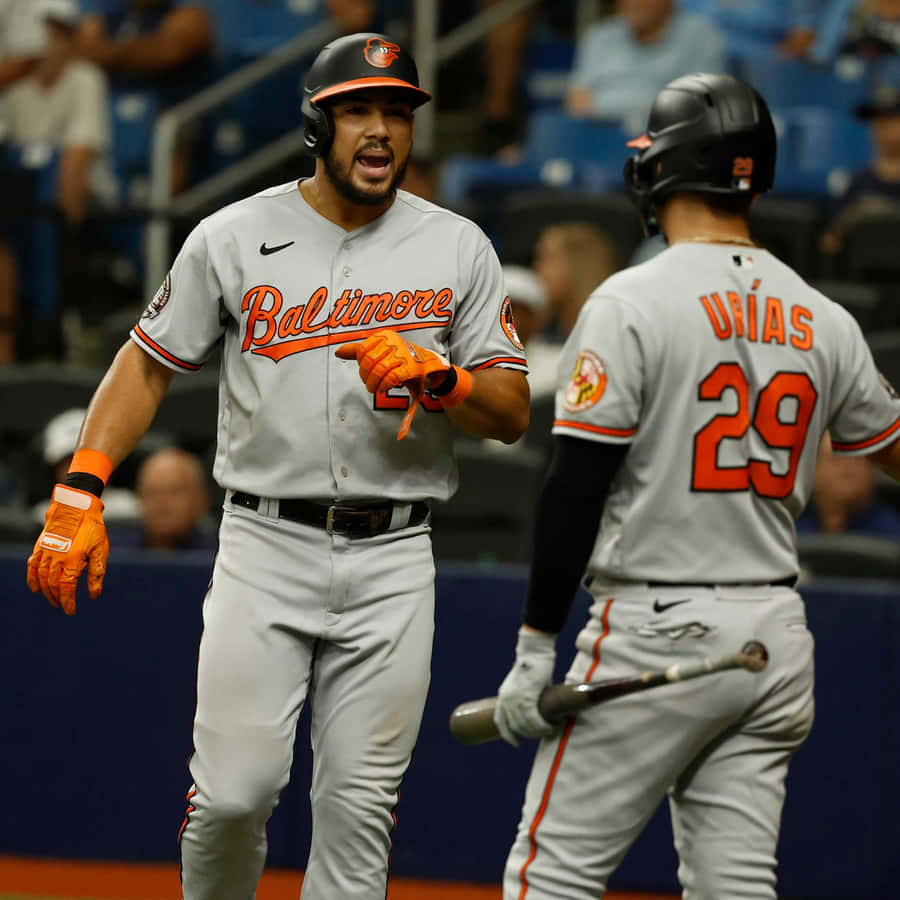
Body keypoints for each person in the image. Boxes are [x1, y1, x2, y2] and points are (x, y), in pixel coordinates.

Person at [26, 31, 529, 900]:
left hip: (393, 555)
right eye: (359, 112)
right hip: (264, 545)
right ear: (316, 126)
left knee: (359, 809)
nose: (381, 130)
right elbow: (146, 362)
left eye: (397, 112)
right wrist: (80, 487)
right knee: (232, 799)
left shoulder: (459, 247)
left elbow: (513, 412)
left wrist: (443, 378)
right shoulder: (234, 233)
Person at [490, 72, 900, 900]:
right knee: (736, 887)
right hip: (775, 636)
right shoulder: (823, 315)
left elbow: (573, 486)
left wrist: (535, 650)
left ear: (666, 168)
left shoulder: (631, 300)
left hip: (659, 627)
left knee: (548, 879)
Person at [565, 0, 726, 126]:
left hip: (671, 145)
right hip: (600, 141)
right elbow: (577, 103)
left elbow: (699, 107)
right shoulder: (599, 36)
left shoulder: (702, 36)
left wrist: (603, 106)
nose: (633, 3)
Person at [821, 80, 900, 256]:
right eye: (876, 120)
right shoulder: (857, 182)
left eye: (891, 118)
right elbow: (830, 242)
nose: (881, 126)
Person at [110, 446, 217, 550]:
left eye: (174, 491)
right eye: (152, 492)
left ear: (200, 499)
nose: (162, 502)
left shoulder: (222, 555)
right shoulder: (112, 553)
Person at [796, 434, 900, 536]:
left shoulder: (890, 532)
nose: (848, 466)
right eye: (837, 458)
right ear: (812, 470)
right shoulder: (789, 527)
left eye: (858, 458)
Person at [532, 221, 620, 341]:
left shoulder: (613, 330)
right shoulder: (538, 331)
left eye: (547, 259)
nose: (537, 268)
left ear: (579, 265)